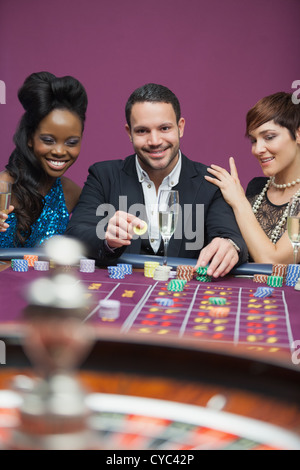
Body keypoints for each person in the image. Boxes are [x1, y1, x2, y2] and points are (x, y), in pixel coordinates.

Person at [66, 83, 247, 277]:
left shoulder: (210, 182)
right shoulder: (103, 175)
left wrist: (229, 245)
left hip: (182, 298)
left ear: (180, 127)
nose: (155, 141)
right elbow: (75, 234)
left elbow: (230, 237)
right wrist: (107, 240)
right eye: (142, 131)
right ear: (129, 133)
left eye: (164, 128)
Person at [204, 92, 300, 264]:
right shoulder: (256, 188)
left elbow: (273, 262)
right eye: (254, 140)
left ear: (298, 134)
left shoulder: (241, 199)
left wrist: (239, 201)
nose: (258, 149)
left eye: (269, 137)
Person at [0, 71, 88, 248]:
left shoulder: (73, 193)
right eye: (48, 140)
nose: (59, 151)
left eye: (71, 142)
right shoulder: (2, 188)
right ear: (30, 138)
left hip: (46, 277)